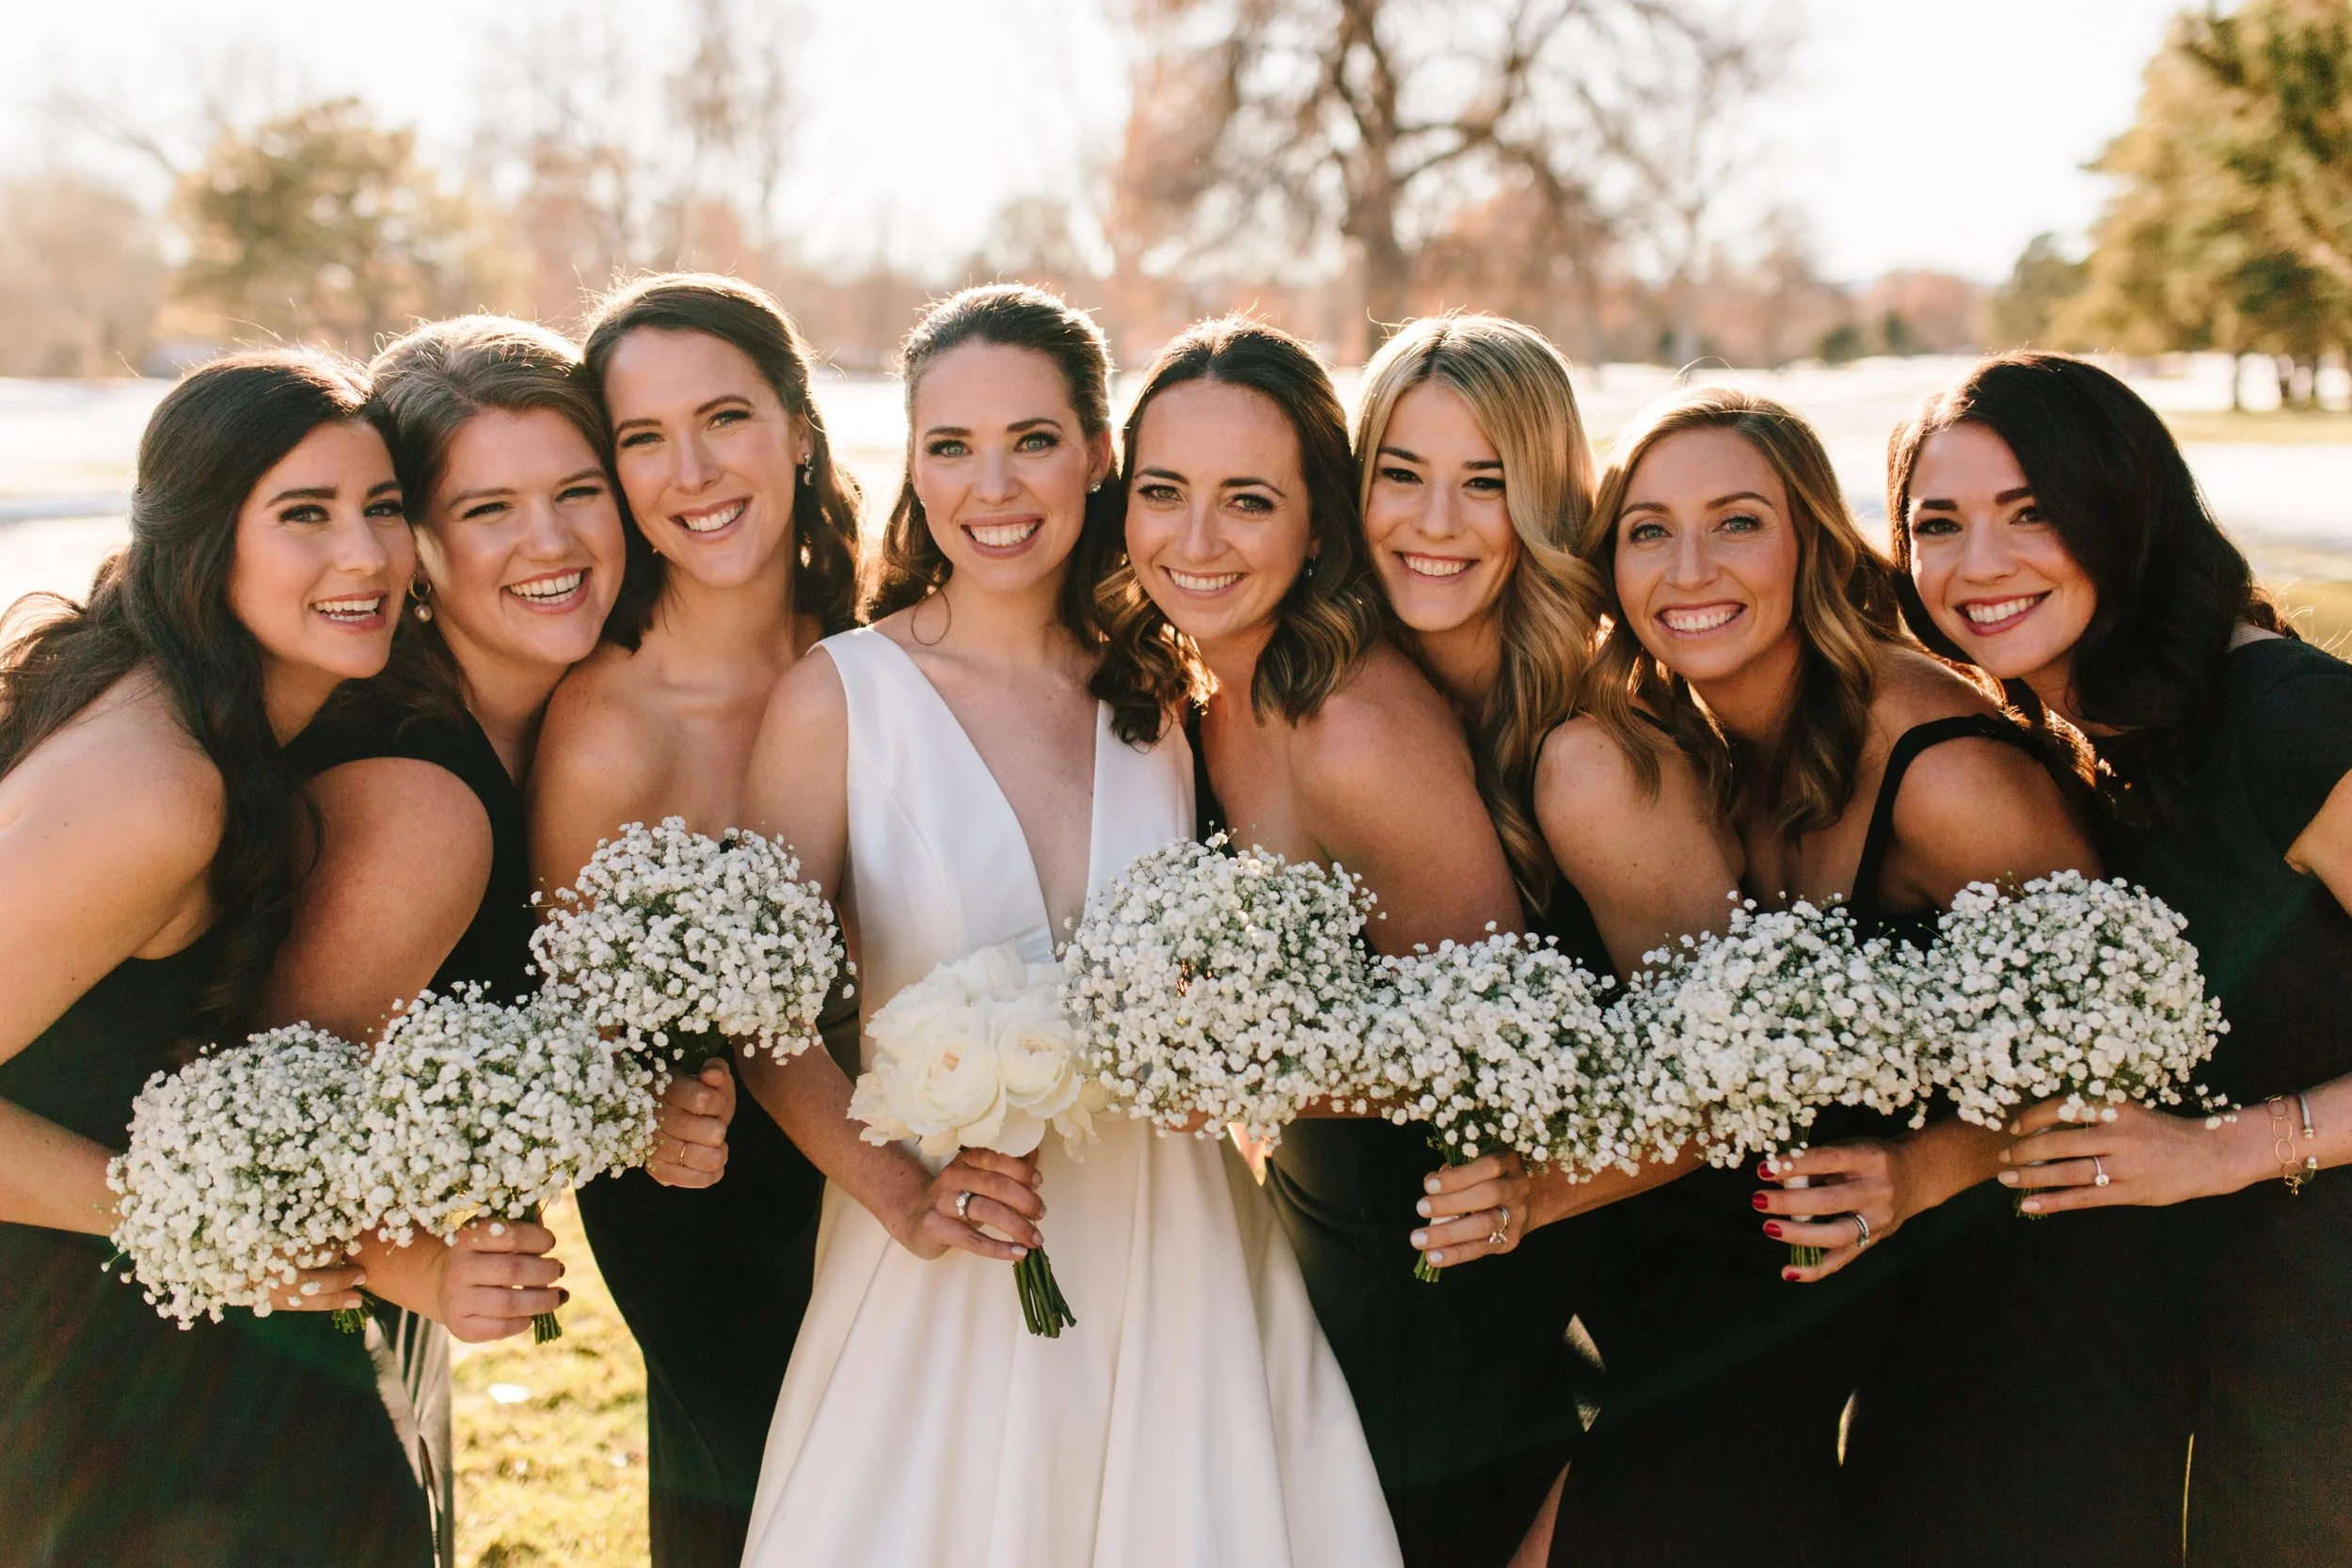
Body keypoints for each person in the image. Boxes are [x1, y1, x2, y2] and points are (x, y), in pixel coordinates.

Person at [734, 288, 1397, 1568]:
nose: (994, 485)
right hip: (946, 1246)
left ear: (1103, 455)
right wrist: (901, 1191)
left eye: (1034, 440)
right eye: (951, 446)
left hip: (1182, 1246)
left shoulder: (1166, 686)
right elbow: (761, 1018)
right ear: (912, 466)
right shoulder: (839, 698)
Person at [1557, 385, 2097, 1568]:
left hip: (2012, 1289)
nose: (1687, 566)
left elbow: (2123, 1026)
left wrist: (1922, 1167)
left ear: (1808, 539)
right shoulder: (1685, 740)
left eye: (1736, 521)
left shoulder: (1938, 768)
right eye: (1648, 529)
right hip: (1816, 1280)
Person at [1888, 350, 2352, 1565]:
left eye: (2030, 510)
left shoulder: (2290, 719)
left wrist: (2233, 1147)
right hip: (2185, 1332)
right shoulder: (2065, 748)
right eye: (1940, 522)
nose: (1979, 563)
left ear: (2125, 506)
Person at [1105, 312, 1550, 1567]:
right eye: (1163, 493)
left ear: (1319, 522)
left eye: (1247, 500)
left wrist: (1240, 1058)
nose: (1195, 542)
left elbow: (1506, 1046)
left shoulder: (1351, 722)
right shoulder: (1196, 691)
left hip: (1434, 1266)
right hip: (1317, 1229)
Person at [263, 316, 703, 1563]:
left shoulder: (574, 720)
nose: (553, 540)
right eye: (488, 508)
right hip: (258, 1334)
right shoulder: (412, 797)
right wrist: (424, 1271)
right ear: (415, 544)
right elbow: (257, 1114)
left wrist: (628, 1103)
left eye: (576, 491)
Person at [0, 351, 434, 1565]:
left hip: (176, 1343)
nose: (366, 555)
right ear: (203, 538)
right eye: (305, 515)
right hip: (91, 1374)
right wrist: (199, 1222)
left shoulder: (213, 714)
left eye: (384, 506)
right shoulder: (157, 790)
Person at [1345, 315, 1739, 1564]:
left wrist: (1542, 1191)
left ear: (1549, 499)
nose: (1435, 522)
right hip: (1413, 1310)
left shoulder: (1589, 756)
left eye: (1487, 483)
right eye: (1401, 473)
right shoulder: (1320, 699)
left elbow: (1742, 1067)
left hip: (1628, 1314)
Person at [530, 273, 864, 1566]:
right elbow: (571, 1014)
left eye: (724, 416)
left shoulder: (879, 646)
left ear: (797, 427)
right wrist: (647, 1106)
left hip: (910, 1154)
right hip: (712, 1205)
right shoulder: (608, 725)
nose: (691, 469)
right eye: (641, 437)